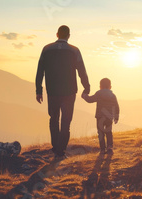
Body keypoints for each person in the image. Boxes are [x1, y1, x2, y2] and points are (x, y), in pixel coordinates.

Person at [35, 25, 90, 160]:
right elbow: (82, 70)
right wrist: (86, 87)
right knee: (66, 121)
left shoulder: (46, 49)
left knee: (53, 119)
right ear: (69, 36)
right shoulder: (74, 51)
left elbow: (40, 71)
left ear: (57, 34)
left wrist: (38, 90)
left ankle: (56, 147)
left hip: (52, 91)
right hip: (69, 91)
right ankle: (61, 151)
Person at [82, 78, 119, 154]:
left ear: (100, 86)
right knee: (108, 132)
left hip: (100, 116)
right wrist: (116, 117)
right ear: (110, 87)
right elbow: (116, 106)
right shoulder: (113, 96)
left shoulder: (98, 94)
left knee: (100, 132)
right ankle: (109, 147)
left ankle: (102, 149)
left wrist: (84, 96)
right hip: (109, 117)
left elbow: (90, 100)